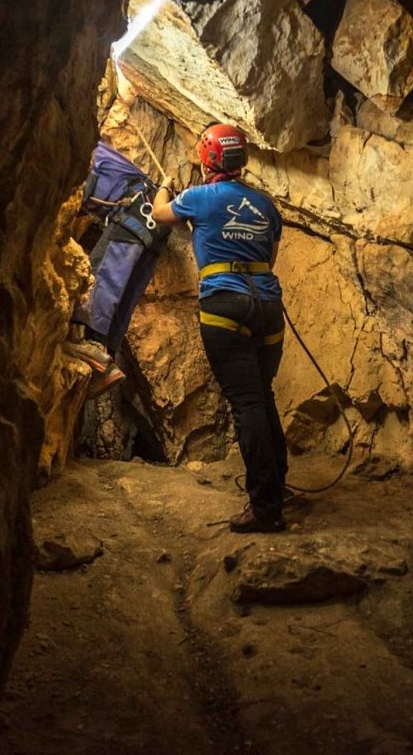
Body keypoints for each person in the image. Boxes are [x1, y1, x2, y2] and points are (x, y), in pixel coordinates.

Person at [152, 122, 288, 533]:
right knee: (262, 398)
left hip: (224, 305)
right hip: (267, 304)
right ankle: (277, 489)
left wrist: (163, 186)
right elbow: (272, 255)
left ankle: (265, 510)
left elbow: (160, 215)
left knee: (246, 405)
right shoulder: (265, 206)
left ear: (207, 158)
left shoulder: (199, 198)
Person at [64, 139, 172, 394]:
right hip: (155, 218)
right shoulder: (98, 149)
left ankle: (89, 346)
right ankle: (107, 357)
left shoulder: (80, 152)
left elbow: (77, 192)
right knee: (126, 294)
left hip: (134, 210)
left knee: (102, 275)